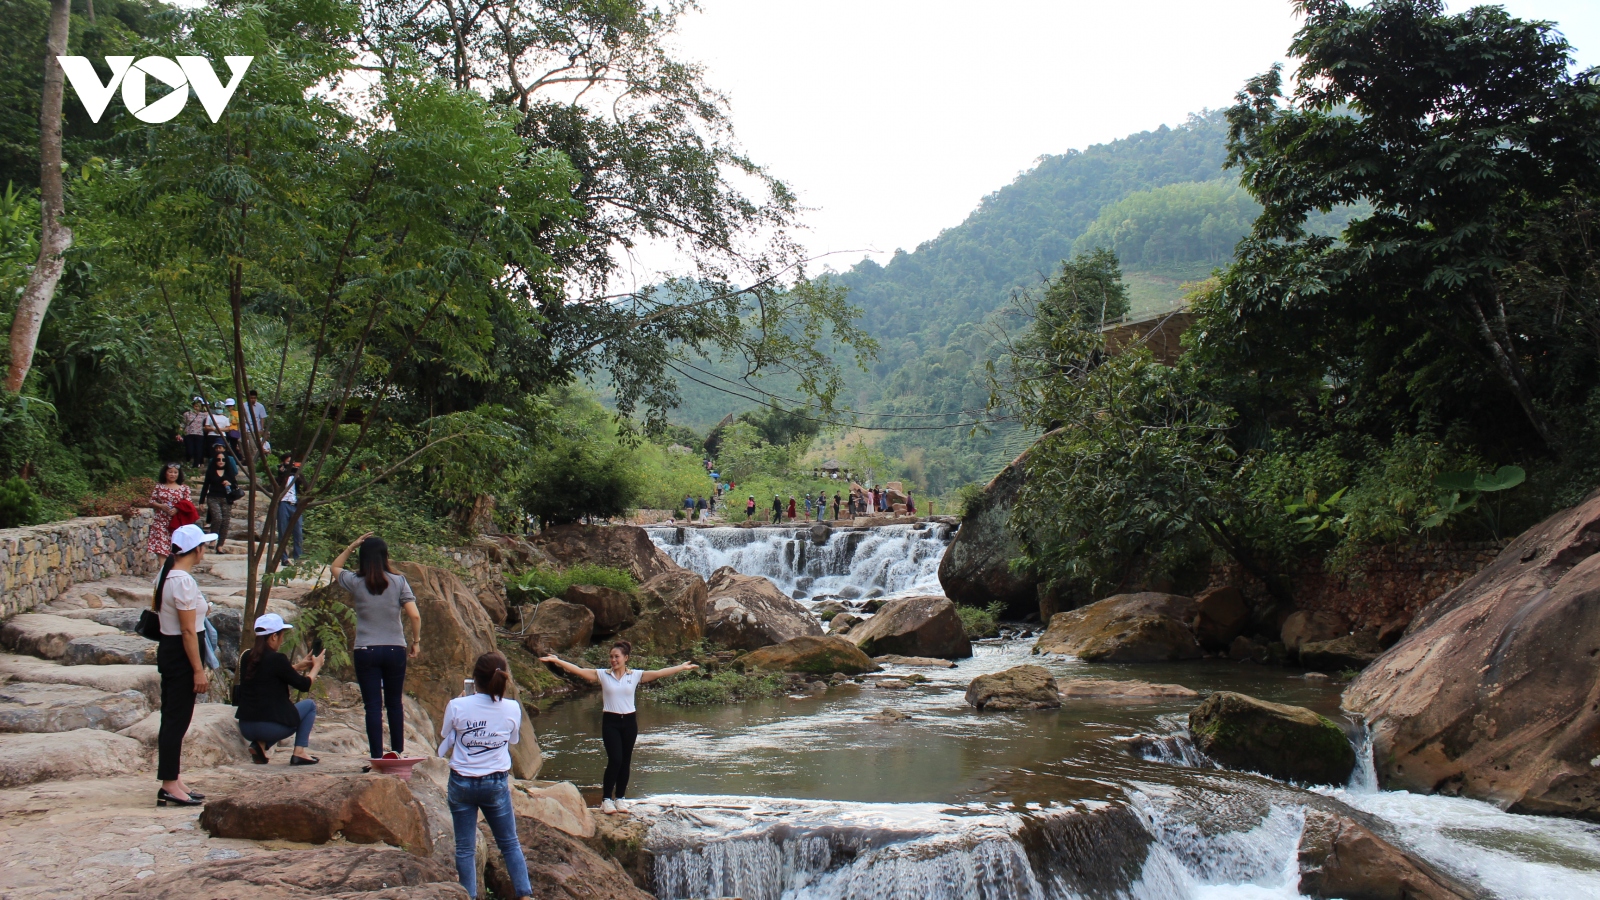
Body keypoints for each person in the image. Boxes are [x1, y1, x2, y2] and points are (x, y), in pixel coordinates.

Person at [540, 642, 698, 814]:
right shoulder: (602, 674)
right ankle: (606, 799)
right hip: (611, 721)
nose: (613, 660)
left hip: (629, 722)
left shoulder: (635, 675)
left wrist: (681, 667)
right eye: (611, 656)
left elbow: (658, 673)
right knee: (615, 759)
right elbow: (579, 670)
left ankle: (620, 798)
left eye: (617, 656)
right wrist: (558, 661)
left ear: (625, 658)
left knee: (625, 761)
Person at [439, 652, 534, 900]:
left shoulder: (457, 705)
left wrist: (463, 703)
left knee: (465, 848)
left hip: (462, 781)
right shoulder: (512, 708)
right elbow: (512, 740)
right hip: (495, 782)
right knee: (509, 843)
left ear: (475, 679)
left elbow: (445, 734)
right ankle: (525, 895)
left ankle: (468, 896)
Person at [332, 533, 422, 760]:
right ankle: (397, 752)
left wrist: (351, 546)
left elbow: (334, 567)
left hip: (366, 650)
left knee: (372, 706)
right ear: (385, 556)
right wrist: (416, 642)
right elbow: (415, 616)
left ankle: (375, 756)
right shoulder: (399, 582)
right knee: (394, 703)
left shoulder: (355, 582)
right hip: (395, 649)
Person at [152, 523, 217, 806]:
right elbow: (188, 630)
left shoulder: (166, 576)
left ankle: (174, 778)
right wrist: (198, 670)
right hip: (181, 654)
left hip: (171, 650)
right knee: (176, 719)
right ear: (197, 549)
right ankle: (168, 783)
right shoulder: (182, 581)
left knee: (174, 717)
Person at [235, 613, 324, 765]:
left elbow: (268, 674)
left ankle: (260, 746)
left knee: (268, 712)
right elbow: (303, 685)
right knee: (309, 706)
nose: (282, 640)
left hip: (246, 726)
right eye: (281, 635)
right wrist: (316, 667)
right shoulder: (278, 659)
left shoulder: (246, 657)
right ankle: (299, 752)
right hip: (269, 728)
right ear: (274, 637)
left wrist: (296, 667)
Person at [198, 443, 237, 552]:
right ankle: (213, 538)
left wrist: (229, 483)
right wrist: (201, 501)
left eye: (223, 460)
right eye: (218, 459)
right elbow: (205, 486)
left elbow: (235, 485)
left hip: (226, 499)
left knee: (225, 522)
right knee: (217, 518)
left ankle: (220, 545)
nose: (221, 462)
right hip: (213, 498)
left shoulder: (229, 472)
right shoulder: (211, 472)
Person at [145, 464, 190, 558]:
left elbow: (188, 504)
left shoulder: (184, 488)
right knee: (161, 548)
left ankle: (172, 570)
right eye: (170, 472)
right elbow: (151, 501)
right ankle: (163, 571)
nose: (172, 474)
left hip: (176, 522)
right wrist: (160, 506)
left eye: (175, 472)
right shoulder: (159, 487)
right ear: (165, 473)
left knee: (174, 547)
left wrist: (177, 509)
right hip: (160, 520)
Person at [276, 455, 304, 563]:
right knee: (282, 531)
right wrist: (282, 473)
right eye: (288, 462)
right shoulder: (281, 475)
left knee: (298, 532)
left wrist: (298, 475)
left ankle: (298, 558)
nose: (291, 464)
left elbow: (305, 487)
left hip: (295, 505)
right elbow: (277, 485)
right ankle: (284, 558)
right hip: (284, 503)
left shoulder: (297, 475)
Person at [180, 399, 209, 468]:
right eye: (195, 406)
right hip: (188, 433)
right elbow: (182, 424)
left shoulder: (204, 415)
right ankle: (188, 462)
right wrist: (179, 433)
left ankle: (195, 466)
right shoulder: (187, 414)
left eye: (198, 406)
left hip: (199, 434)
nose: (197, 408)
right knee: (189, 450)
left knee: (198, 450)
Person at [241, 390, 268, 459]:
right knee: (243, 444)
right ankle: (247, 458)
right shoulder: (244, 405)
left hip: (255, 429)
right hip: (245, 427)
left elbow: (262, 418)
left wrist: (262, 428)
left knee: (253, 446)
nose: (253, 399)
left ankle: (254, 460)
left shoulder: (260, 406)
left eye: (254, 398)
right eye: (251, 398)